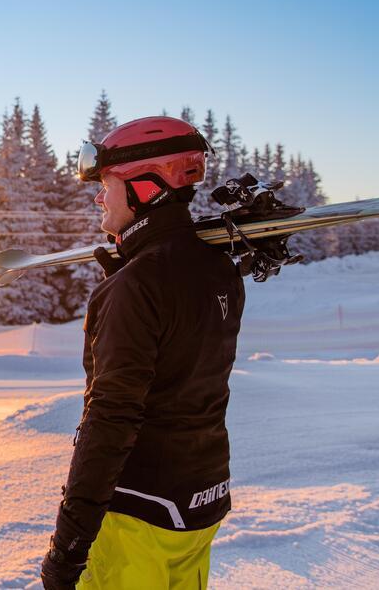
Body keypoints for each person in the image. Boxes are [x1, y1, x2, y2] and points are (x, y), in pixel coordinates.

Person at [39, 116, 245, 589]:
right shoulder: (218, 270)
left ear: (145, 186)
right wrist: (131, 271)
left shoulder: (135, 286)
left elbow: (110, 418)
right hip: (198, 503)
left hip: (136, 513)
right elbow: (181, 361)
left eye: (106, 185)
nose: (98, 197)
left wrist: (68, 546)